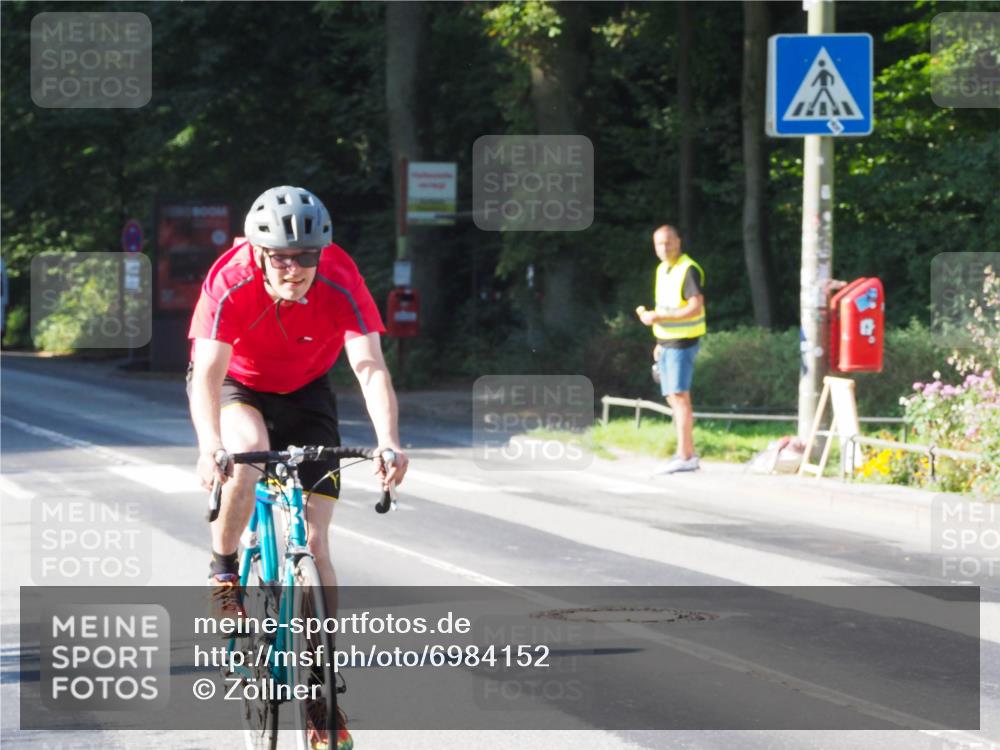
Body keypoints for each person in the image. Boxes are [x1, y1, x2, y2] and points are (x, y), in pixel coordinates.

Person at [187, 185, 409, 750]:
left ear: (322, 251)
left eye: (305, 256)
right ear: (259, 253)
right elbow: (207, 375)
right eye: (281, 258)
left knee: (315, 538)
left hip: (309, 391)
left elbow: (369, 366)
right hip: (240, 386)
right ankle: (223, 570)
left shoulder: (340, 276)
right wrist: (209, 443)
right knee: (248, 452)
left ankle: (320, 692)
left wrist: (388, 441)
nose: (294, 269)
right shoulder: (228, 279)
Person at [635, 224, 706, 474]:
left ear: (679, 242)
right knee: (673, 398)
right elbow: (665, 307)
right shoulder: (663, 270)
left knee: (679, 397)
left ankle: (685, 455)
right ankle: (686, 452)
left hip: (682, 341)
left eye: (668, 242)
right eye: (659, 244)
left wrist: (660, 319)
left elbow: (695, 306)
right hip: (666, 342)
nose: (664, 248)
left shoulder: (687, 269)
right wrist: (658, 340)